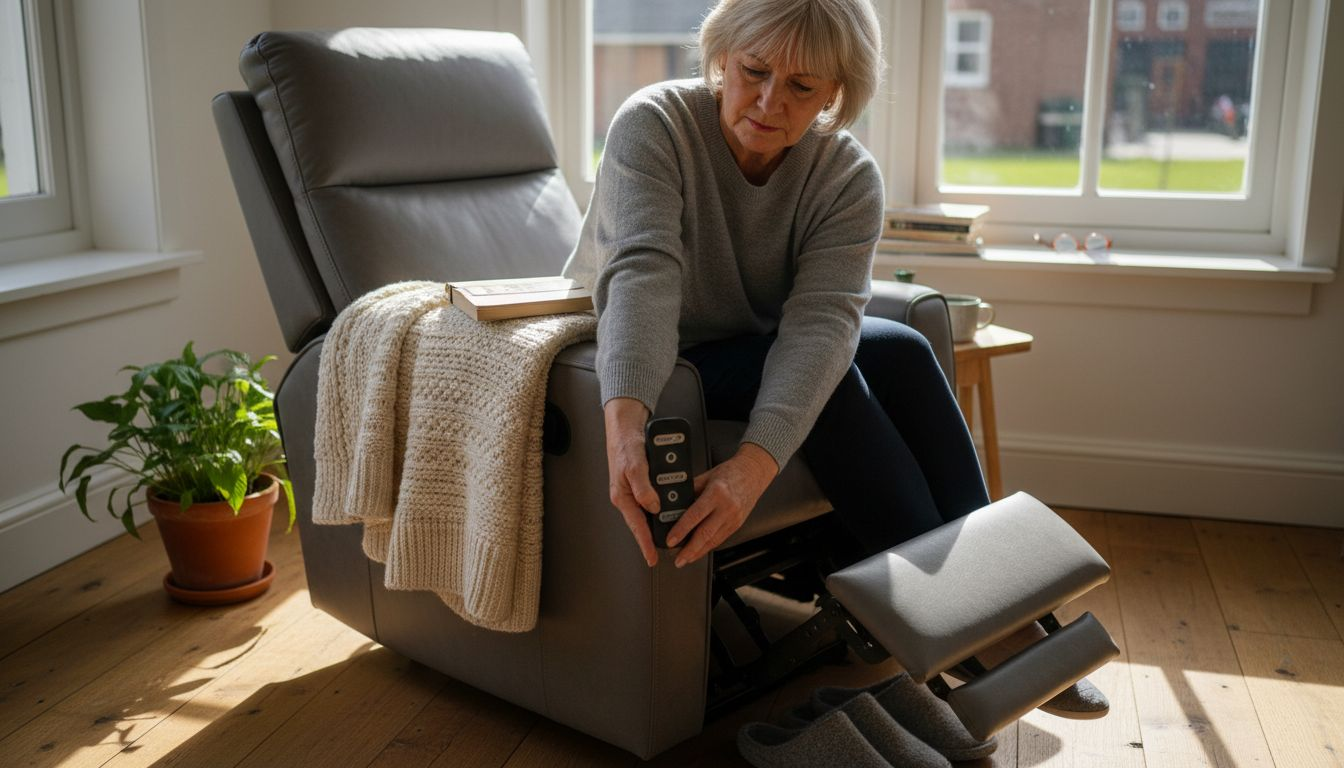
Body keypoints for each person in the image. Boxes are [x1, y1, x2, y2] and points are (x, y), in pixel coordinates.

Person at [561, 0, 1106, 718]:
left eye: (802, 88)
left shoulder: (846, 174)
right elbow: (642, 272)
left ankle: (1006, 604)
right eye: (754, 72)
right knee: (839, 384)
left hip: (751, 342)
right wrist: (625, 421)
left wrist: (753, 467)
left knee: (904, 348)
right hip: (659, 349)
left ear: (837, 94)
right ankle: (962, 623)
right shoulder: (653, 124)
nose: (767, 102)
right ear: (722, 56)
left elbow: (822, 323)